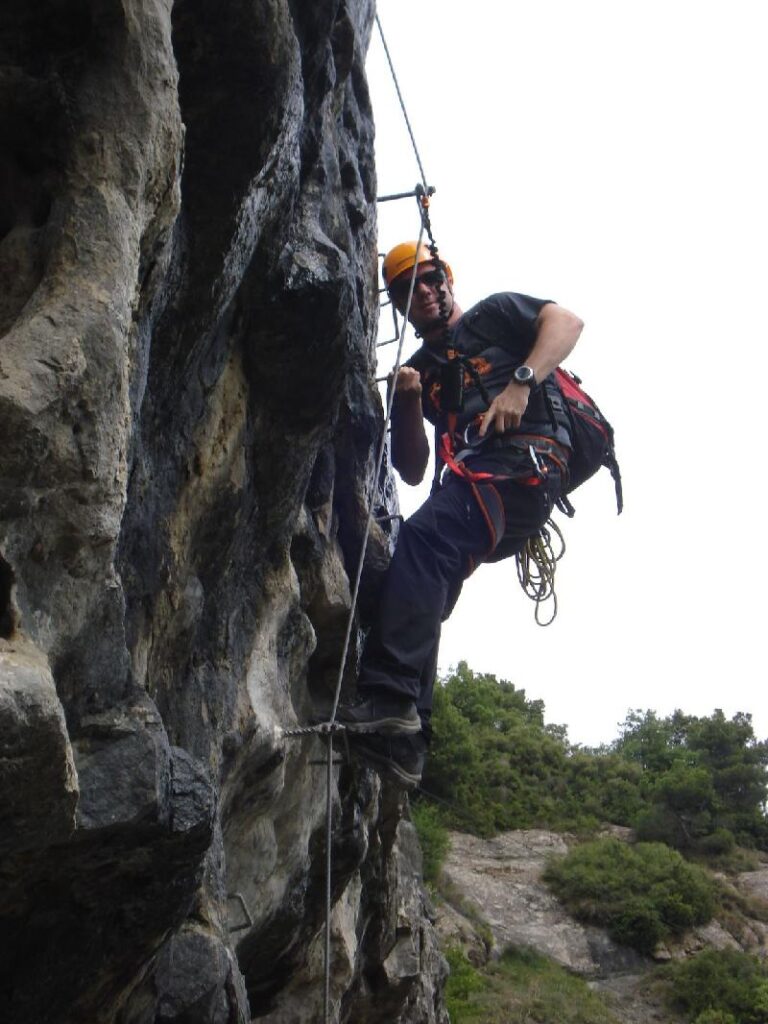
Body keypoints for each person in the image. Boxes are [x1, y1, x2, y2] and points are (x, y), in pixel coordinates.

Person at [337, 242, 584, 787]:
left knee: (424, 543)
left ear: (446, 278)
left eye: (430, 279)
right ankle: (407, 742)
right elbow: (411, 468)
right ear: (400, 307)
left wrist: (521, 382)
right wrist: (406, 402)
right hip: (486, 477)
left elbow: (565, 322)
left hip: (525, 463)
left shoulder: (493, 315)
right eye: (408, 290)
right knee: (421, 577)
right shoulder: (423, 369)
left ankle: (390, 695)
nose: (424, 292)